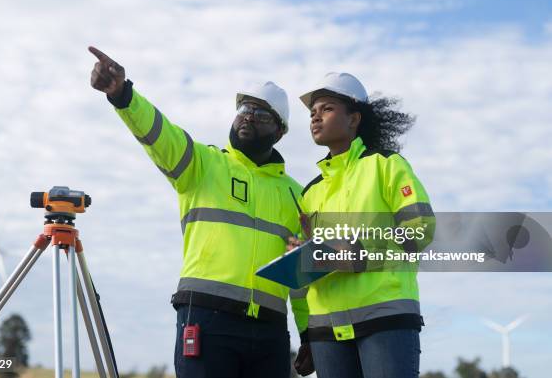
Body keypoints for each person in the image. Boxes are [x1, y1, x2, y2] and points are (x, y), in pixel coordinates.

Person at [88, 46, 308, 378]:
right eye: (244, 108)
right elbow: (159, 133)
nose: (248, 116)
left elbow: (301, 275)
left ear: (279, 131)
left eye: (261, 114)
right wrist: (123, 95)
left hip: (270, 332)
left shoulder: (296, 194)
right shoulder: (203, 164)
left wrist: (309, 334)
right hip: (206, 319)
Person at [292, 72, 435, 378]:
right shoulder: (308, 193)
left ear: (354, 118)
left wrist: (357, 253)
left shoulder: (387, 165)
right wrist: (300, 254)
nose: (315, 117)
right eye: (312, 112)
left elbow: (420, 230)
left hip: (385, 319)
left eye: (326, 108)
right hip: (326, 331)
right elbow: (307, 269)